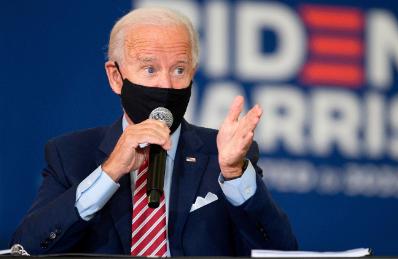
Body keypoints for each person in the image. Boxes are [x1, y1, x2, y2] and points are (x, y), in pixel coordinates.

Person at [10, 7, 297, 256]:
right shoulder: (70, 155)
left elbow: (283, 254)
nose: (167, 86)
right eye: (150, 69)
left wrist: (235, 176)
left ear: (193, 73)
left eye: (179, 70)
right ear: (115, 77)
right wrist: (108, 173)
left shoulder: (221, 154)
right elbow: (27, 249)